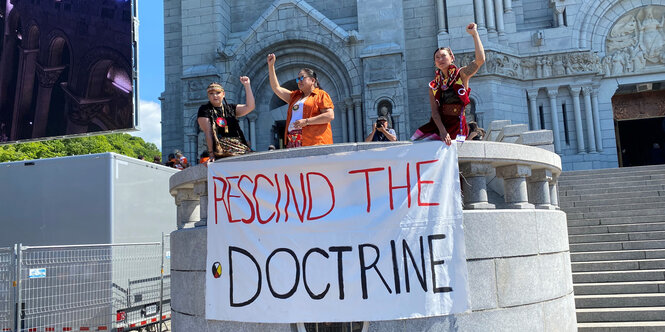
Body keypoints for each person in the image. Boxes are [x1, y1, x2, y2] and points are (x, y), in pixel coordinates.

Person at [411, 23, 485, 146]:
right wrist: (443, 131)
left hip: (458, 125)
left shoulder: (461, 75)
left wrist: (475, 35)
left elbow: (480, 60)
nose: (440, 59)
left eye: (443, 56)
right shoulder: (433, 86)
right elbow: (434, 113)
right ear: (435, 63)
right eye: (437, 57)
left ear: (452, 58)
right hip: (440, 126)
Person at [267, 53, 334, 148]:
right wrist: (271, 66)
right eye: (298, 79)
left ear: (313, 80)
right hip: (293, 141)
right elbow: (276, 88)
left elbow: (329, 115)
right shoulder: (295, 97)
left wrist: (306, 121)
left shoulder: (321, 95)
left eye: (302, 77)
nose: (299, 81)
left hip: (314, 142)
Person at [197, 79, 255, 162]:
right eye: (211, 93)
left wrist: (247, 85)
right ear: (208, 96)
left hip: (239, 147)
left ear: (223, 94)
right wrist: (211, 154)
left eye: (218, 93)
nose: (215, 96)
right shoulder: (204, 110)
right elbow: (208, 132)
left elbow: (250, 107)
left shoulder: (230, 108)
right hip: (221, 149)